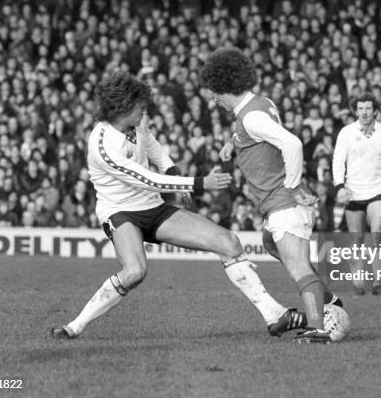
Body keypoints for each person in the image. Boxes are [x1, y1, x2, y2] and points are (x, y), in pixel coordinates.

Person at [51, 72, 307, 339]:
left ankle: (275, 316)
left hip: (153, 207)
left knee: (229, 242)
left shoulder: (137, 123)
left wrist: (172, 170)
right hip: (120, 211)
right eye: (140, 107)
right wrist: (196, 184)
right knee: (135, 271)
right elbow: (145, 179)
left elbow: (152, 145)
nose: (144, 112)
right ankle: (75, 326)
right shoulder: (102, 144)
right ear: (123, 107)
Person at [201, 47, 342, 344]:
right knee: (270, 243)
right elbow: (262, 133)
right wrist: (233, 143)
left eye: (215, 92)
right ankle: (330, 300)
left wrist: (292, 187)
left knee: (297, 266)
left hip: (285, 202)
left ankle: (318, 327)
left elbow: (292, 145)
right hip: (280, 203)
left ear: (227, 87)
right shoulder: (260, 104)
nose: (213, 99)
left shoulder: (250, 119)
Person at [332, 92, 381, 295]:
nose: (364, 112)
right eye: (360, 108)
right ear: (355, 111)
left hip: (378, 189)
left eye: (368, 108)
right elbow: (337, 161)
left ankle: (379, 283)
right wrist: (340, 186)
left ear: (375, 110)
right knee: (357, 240)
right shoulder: (346, 132)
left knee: (378, 232)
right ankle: (358, 285)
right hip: (354, 191)